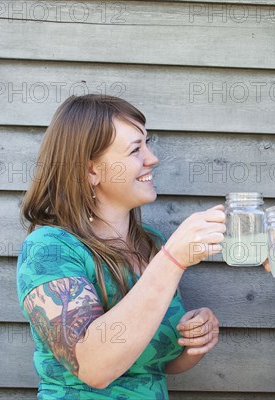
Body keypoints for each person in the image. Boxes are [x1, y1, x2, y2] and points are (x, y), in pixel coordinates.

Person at [17, 94, 226, 399]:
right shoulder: (50, 250)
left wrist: (192, 342)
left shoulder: (150, 243)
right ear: (91, 171)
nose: (152, 158)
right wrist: (172, 261)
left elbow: (152, 364)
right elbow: (95, 367)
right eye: (135, 150)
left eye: (147, 144)